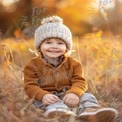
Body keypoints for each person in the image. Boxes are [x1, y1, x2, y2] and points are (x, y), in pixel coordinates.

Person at [24, 16, 118, 122]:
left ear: (67, 47)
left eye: (60, 43)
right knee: (44, 102)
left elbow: (79, 81)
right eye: (48, 42)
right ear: (39, 46)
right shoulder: (32, 65)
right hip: (47, 96)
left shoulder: (73, 64)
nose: (54, 46)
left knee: (87, 96)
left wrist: (74, 93)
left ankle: (91, 111)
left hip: (69, 95)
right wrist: (43, 95)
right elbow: (30, 85)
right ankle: (59, 113)